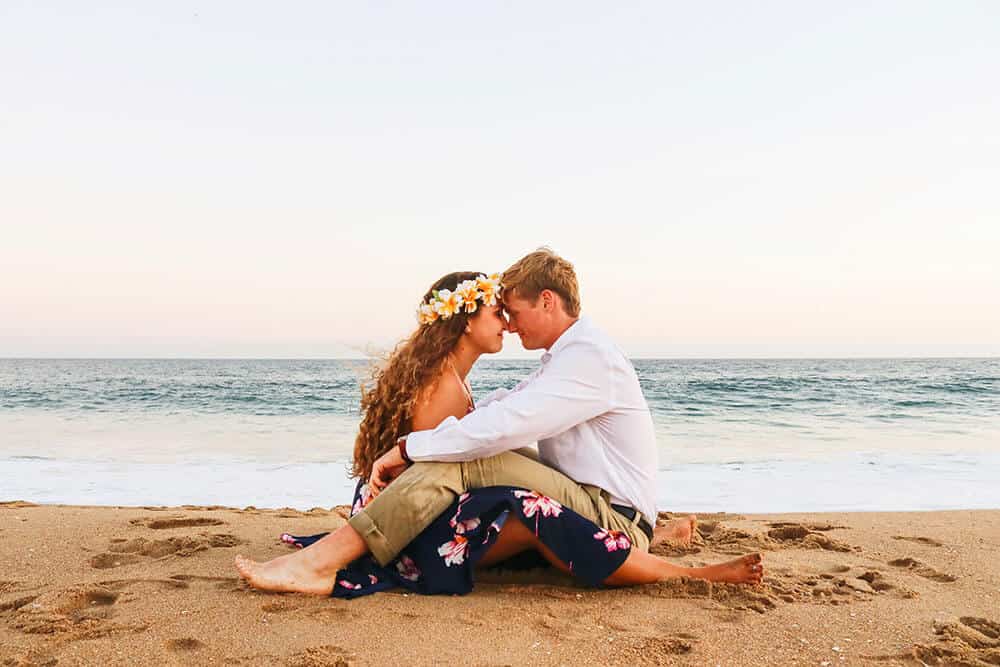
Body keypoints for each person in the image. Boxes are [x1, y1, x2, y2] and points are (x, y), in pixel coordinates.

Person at [236, 253, 763, 596]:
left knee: (474, 455)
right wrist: (419, 444)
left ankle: (325, 561)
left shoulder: (589, 359)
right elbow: (505, 405)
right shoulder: (566, 359)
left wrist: (406, 448)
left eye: (514, 311)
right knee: (464, 454)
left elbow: (504, 425)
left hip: (612, 517)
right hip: (602, 501)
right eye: (500, 314)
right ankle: (331, 555)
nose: (509, 324)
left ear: (548, 302)